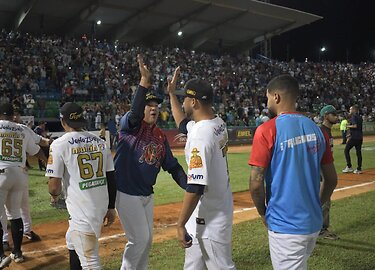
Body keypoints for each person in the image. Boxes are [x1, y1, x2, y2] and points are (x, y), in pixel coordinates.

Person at [248, 74, 338, 270]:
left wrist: (263, 213)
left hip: (285, 224)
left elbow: (256, 182)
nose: (267, 101)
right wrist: (317, 204)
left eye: (268, 97)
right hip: (312, 223)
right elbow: (331, 179)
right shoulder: (317, 129)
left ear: (276, 97)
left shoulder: (267, 130)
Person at [114, 54, 187, 270]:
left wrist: (190, 185)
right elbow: (135, 112)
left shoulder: (160, 136)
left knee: (147, 242)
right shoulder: (129, 125)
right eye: (149, 105)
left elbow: (172, 167)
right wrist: (144, 83)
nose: (153, 108)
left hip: (146, 194)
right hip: (127, 193)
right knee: (139, 240)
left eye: (156, 105)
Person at [168, 66, 236, 269]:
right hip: (213, 209)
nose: (183, 103)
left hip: (210, 217)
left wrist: (180, 224)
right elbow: (183, 124)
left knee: (222, 266)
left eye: (185, 99)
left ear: (194, 102)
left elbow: (196, 186)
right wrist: (171, 94)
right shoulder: (217, 123)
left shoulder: (201, 135)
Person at [0, 103, 47, 269]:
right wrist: (49, 165)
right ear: (13, 114)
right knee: (15, 214)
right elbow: (37, 152)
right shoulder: (22, 129)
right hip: (19, 175)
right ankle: (17, 252)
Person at [45, 102, 117, 270]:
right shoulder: (100, 142)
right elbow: (111, 177)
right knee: (72, 241)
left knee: (91, 264)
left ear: (63, 122)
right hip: (98, 208)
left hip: (82, 213)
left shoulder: (59, 144)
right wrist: (111, 206)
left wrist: (54, 196)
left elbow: (54, 186)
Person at [318, 105, 341, 240]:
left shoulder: (327, 131)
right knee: (324, 200)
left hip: (323, 170)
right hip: (320, 171)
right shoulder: (321, 131)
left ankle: (318, 229)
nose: (336, 116)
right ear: (326, 116)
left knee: (323, 199)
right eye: (333, 114)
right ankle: (321, 230)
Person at [342, 105, 364, 174]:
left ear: (354, 110)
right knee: (358, 153)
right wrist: (350, 133)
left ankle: (349, 167)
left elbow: (355, 126)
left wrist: (348, 126)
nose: (349, 111)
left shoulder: (353, 117)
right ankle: (359, 168)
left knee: (346, 150)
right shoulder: (360, 117)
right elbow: (358, 127)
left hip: (354, 137)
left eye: (351, 109)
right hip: (360, 137)